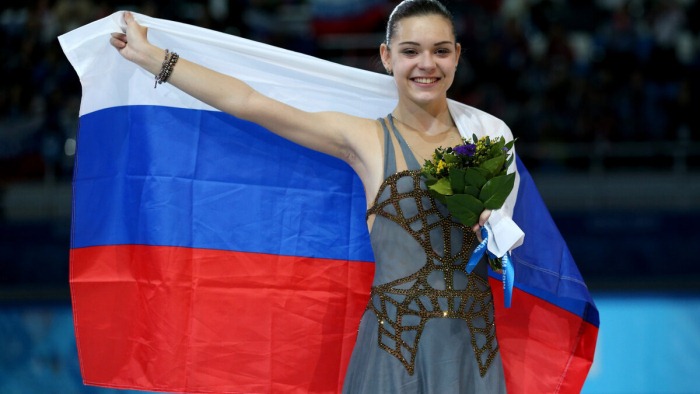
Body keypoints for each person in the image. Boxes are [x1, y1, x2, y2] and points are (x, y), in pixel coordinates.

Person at [110, 0, 509, 392]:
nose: (427, 64)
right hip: (395, 353)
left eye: (440, 50)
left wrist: (496, 236)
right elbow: (250, 103)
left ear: (457, 55)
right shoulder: (366, 139)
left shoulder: (489, 138)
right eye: (410, 51)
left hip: (471, 352)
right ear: (387, 57)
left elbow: (503, 251)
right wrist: (152, 58)